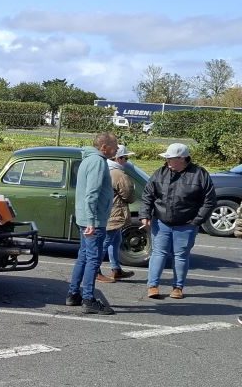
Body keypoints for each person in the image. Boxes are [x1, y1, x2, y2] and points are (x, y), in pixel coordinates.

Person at [140, 142, 217, 299]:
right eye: (167, 158)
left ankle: (177, 288)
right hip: (161, 222)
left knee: (181, 256)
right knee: (158, 253)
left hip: (187, 224)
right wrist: (144, 215)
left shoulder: (200, 174)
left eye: (171, 159)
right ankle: (152, 286)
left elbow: (209, 201)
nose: (167, 161)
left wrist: (196, 221)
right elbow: (148, 195)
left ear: (183, 159)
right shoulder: (160, 172)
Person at [66, 132, 118, 314]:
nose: (117, 148)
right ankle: (88, 299)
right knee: (93, 259)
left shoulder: (88, 159)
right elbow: (92, 194)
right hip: (93, 220)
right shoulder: (97, 161)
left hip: (87, 218)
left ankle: (73, 294)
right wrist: (91, 221)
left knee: (84, 256)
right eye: (115, 145)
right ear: (104, 147)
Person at [97, 144, 136, 283]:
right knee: (106, 242)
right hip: (114, 213)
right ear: (118, 158)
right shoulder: (118, 173)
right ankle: (96, 270)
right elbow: (129, 195)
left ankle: (116, 269)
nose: (126, 161)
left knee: (115, 240)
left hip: (106, 211)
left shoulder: (104, 168)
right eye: (125, 158)